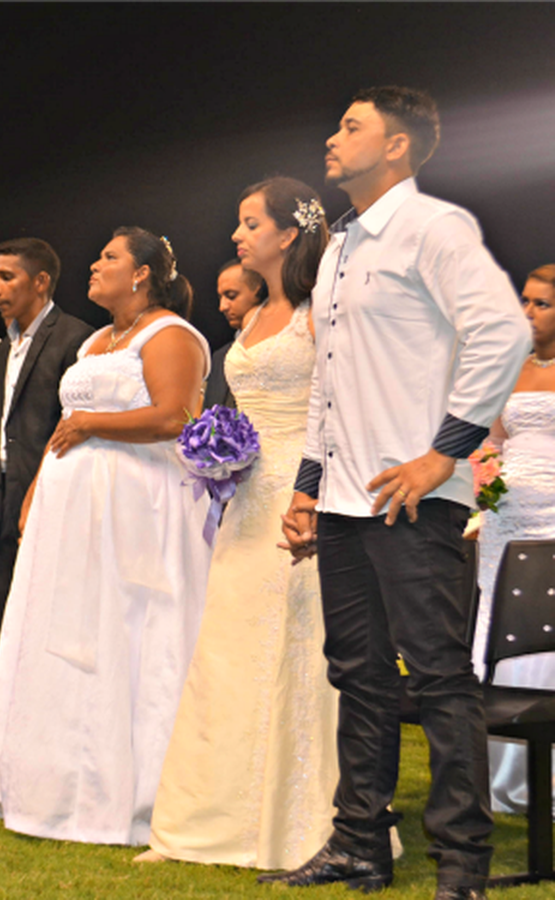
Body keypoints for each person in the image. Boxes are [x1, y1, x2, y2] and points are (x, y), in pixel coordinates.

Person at [273, 86, 531, 900]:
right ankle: (361, 846)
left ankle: (463, 866)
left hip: (414, 499)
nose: (330, 137)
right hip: (346, 502)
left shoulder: (433, 227)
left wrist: (440, 456)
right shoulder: (342, 243)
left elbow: (505, 333)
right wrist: (308, 488)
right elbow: (328, 384)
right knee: (358, 674)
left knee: (438, 676)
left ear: (396, 147)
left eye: (350, 126)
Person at [0, 227, 211, 842]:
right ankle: (58, 778)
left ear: (141, 273)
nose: (94, 265)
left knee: (126, 631)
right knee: (63, 630)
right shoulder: (96, 342)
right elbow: (62, 428)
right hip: (69, 507)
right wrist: (34, 492)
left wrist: (93, 424)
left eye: (109, 257)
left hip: (136, 508)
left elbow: (175, 416)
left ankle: (136, 787)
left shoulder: (171, 334)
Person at [145, 178, 335, 870]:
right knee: (225, 652)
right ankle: (207, 823)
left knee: (293, 653)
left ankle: (298, 824)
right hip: (245, 501)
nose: (236, 235)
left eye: (250, 223)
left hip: (299, 496)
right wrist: (216, 454)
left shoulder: (319, 314)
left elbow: (331, 412)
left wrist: (311, 493)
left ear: (288, 235)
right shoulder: (252, 320)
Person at [470, 263, 555, 816]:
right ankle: (494, 779)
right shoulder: (512, 368)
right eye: (524, 301)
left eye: (541, 303)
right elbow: (490, 440)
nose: (527, 312)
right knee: (494, 626)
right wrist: (484, 474)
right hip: (505, 519)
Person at [0, 238, 94, 621]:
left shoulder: (76, 338)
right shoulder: (3, 348)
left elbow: (73, 427)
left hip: (50, 489)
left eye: (7, 277)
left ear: (40, 281)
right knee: (0, 612)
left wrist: (42, 494)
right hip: (5, 492)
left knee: (45, 612)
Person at [202, 260, 264, 411]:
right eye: (220, 297)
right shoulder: (219, 357)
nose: (222, 307)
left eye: (231, 296)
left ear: (258, 290)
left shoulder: (277, 351)